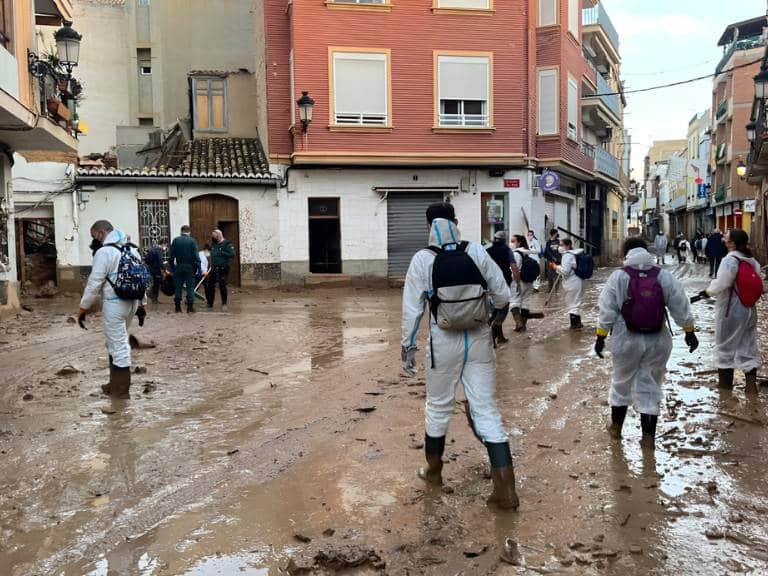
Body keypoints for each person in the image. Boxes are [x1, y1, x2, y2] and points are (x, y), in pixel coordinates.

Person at [401, 202, 518, 510]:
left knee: (438, 407)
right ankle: (505, 490)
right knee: (486, 409)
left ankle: (434, 472)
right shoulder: (476, 251)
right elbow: (504, 295)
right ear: (455, 222)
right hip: (479, 339)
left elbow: (412, 311)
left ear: (428, 228)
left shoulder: (422, 260)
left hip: (443, 343)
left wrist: (408, 349)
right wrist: (489, 318)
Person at [595, 238, 698, 450]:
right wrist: (689, 331)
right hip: (658, 340)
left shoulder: (618, 276)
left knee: (621, 382)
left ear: (626, 252)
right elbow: (680, 304)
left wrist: (600, 337)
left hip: (625, 340)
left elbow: (607, 310)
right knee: (650, 386)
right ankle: (648, 439)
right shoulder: (663, 275)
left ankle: (616, 431)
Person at [78, 220, 146, 398]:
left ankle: (121, 393)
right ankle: (113, 384)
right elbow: (140, 278)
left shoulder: (104, 252)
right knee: (114, 342)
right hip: (132, 303)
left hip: (114, 303)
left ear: (101, 233)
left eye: (94, 236)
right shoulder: (132, 249)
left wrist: (83, 308)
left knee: (118, 345)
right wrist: (142, 304)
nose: (95, 240)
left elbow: (94, 283)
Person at [692, 229, 763, 393]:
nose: (723, 237)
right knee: (748, 346)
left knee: (725, 346)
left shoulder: (730, 260)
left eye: (726, 236)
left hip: (731, 310)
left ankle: (725, 390)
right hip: (749, 310)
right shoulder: (752, 261)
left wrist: (708, 292)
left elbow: (723, 282)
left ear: (732, 243)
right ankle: (751, 388)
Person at [549, 238, 584, 329]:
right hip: (576, 281)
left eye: (561, 245)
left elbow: (565, 271)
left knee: (572, 304)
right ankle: (577, 324)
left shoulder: (567, 256)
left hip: (572, 282)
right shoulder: (571, 254)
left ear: (567, 245)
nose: (559, 247)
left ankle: (574, 326)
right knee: (575, 303)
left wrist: (555, 266)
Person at [486, 230, 513, 346]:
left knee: (495, 309)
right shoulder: (507, 250)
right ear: (504, 240)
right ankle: (492, 337)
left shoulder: (487, 251)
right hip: (503, 283)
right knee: (503, 309)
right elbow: (514, 266)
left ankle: (500, 337)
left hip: (489, 284)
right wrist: (517, 281)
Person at [169, 225, 200, 313]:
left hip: (179, 266)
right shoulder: (192, 241)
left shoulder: (175, 241)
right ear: (189, 232)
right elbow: (196, 256)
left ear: (181, 231)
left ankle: (177, 307)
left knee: (178, 286)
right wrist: (198, 267)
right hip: (190, 267)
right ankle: (190, 307)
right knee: (190, 287)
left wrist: (172, 268)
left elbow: (171, 257)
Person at [510, 234, 538, 332]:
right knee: (525, 302)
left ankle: (519, 324)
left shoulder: (516, 254)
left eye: (513, 241)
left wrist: (514, 281)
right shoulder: (526, 252)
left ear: (519, 242)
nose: (511, 243)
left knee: (514, 303)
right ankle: (523, 326)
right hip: (529, 281)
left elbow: (515, 269)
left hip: (519, 281)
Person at [206, 229, 236, 311]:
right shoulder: (214, 244)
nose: (213, 238)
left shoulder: (227, 244)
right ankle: (210, 303)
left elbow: (232, 254)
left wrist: (222, 252)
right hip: (214, 268)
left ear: (219, 236)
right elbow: (211, 254)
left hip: (223, 268)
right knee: (210, 286)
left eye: (214, 236)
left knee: (222, 286)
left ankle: (224, 303)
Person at [144, 240, 167, 304]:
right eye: (165, 245)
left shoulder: (153, 249)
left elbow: (147, 260)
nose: (165, 247)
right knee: (157, 284)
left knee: (156, 283)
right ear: (162, 244)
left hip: (152, 269)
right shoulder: (158, 251)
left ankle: (151, 295)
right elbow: (160, 262)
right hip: (156, 270)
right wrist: (165, 269)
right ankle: (154, 298)